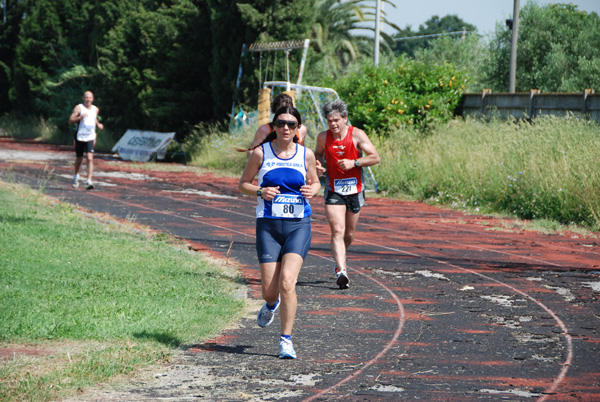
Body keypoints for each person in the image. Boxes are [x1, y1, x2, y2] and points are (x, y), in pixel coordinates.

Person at [239, 105, 320, 359]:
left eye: (292, 124)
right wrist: (261, 191)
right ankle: (271, 305)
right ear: (273, 127)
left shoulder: (305, 154)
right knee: (269, 291)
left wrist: (313, 190)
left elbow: (316, 182)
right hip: (268, 227)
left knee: (288, 282)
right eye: (281, 123)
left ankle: (286, 340)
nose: (286, 128)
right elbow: (243, 184)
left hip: (298, 225)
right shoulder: (261, 154)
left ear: (298, 129)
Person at [314, 99, 380, 289]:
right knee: (337, 229)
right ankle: (341, 270)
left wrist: (355, 163)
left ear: (345, 119)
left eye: (336, 120)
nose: (333, 124)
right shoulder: (322, 137)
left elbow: (375, 157)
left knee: (349, 234)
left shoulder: (357, 135)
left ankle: (340, 257)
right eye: (329, 120)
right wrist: (318, 165)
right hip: (333, 188)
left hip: (355, 189)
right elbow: (317, 154)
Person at [68, 91, 104, 189]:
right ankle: (76, 176)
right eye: (86, 98)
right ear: (83, 98)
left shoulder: (95, 109)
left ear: (92, 99)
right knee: (79, 159)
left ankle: (89, 180)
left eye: (90, 98)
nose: (88, 100)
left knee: (89, 158)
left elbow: (94, 118)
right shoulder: (79, 108)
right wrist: (80, 117)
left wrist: (98, 124)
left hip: (90, 136)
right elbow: (70, 120)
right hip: (80, 136)